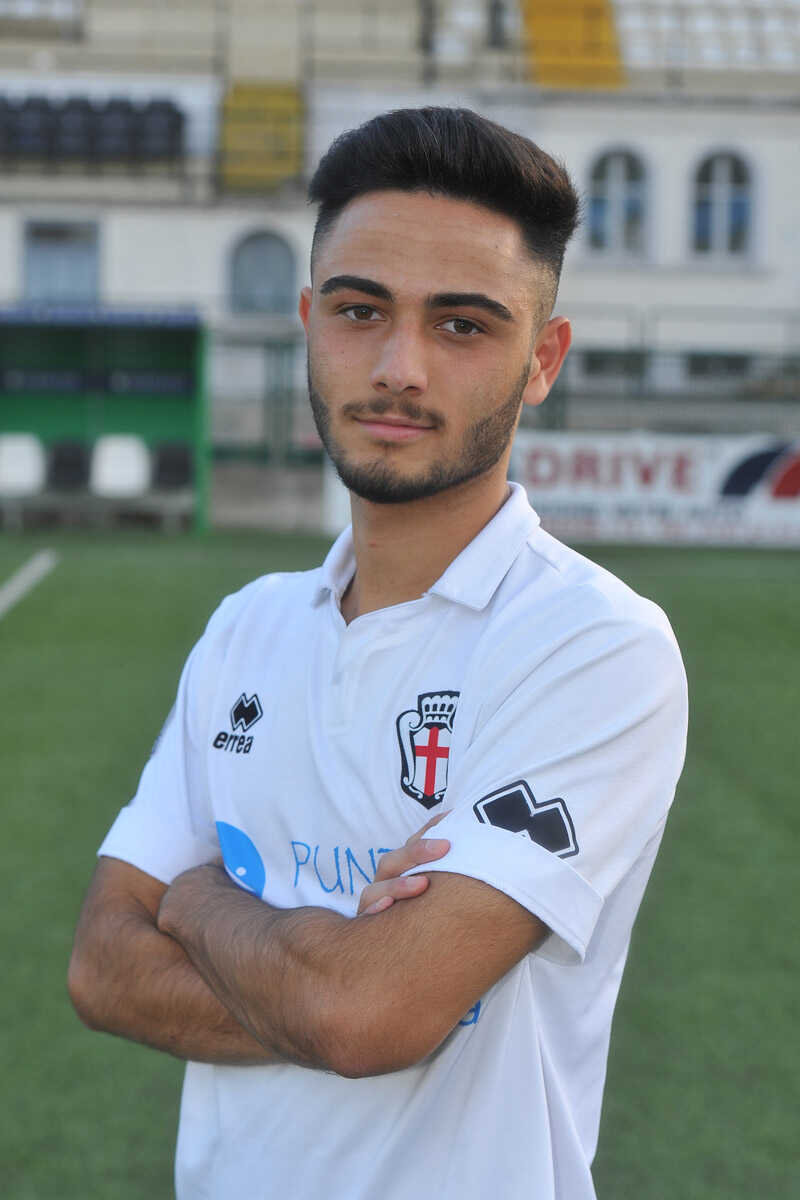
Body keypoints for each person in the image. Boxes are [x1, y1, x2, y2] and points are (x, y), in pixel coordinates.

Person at [68, 107, 687, 1199]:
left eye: (462, 326)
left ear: (541, 360)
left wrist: (201, 905)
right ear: (310, 321)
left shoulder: (595, 646)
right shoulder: (247, 626)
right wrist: (343, 973)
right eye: (361, 312)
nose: (399, 367)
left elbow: (368, 1016)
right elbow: (104, 967)